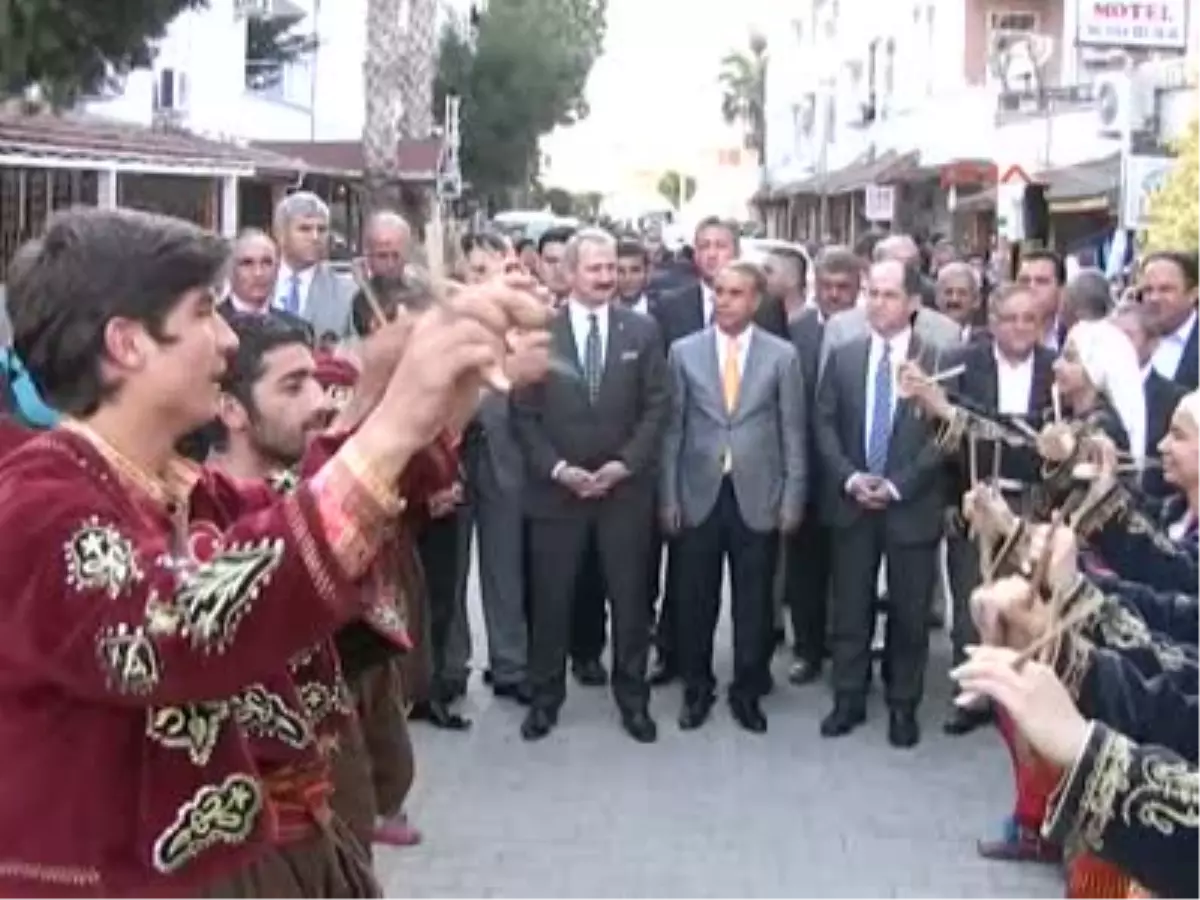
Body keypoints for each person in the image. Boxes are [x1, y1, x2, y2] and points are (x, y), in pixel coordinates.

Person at [0, 207, 551, 897]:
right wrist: (400, 412)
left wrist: (443, 388)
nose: (229, 339)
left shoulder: (180, 488)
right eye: (205, 311)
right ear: (128, 343)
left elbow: (307, 513)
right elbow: (183, 621)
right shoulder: (34, 503)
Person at [512, 228, 669, 743]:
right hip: (558, 493)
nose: (606, 277)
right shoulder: (539, 333)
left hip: (624, 494)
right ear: (568, 274)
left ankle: (633, 701)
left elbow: (657, 407)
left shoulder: (643, 332)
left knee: (630, 602)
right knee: (552, 601)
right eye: (594, 268)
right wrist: (558, 470)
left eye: (610, 268)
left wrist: (625, 464)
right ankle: (544, 699)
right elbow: (524, 416)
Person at [660, 260, 806, 733]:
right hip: (699, 491)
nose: (724, 300)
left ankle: (747, 689)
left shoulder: (781, 356)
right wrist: (668, 496)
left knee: (754, 602)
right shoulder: (684, 352)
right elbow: (672, 431)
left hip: (758, 494)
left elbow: (792, 433)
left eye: (736, 293)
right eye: (719, 291)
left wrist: (793, 498)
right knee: (695, 598)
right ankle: (696, 689)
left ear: (756, 300)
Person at [814, 259, 947, 748]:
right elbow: (823, 423)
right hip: (853, 502)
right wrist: (851, 478)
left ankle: (902, 704)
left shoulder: (938, 359)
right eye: (872, 293)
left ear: (913, 303)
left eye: (889, 295)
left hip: (909, 506)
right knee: (850, 606)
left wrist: (896, 485)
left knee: (910, 614)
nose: (877, 302)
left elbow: (945, 436)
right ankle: (848, 696)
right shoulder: (845, 356)